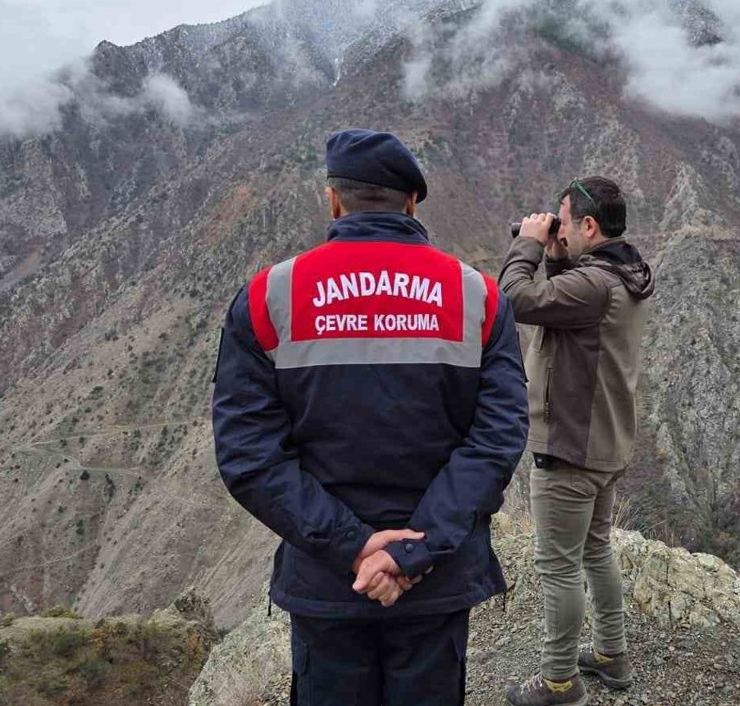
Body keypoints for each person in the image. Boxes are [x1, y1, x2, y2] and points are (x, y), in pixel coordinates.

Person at [212, 128, 528, 706]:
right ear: (411, 203)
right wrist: (410, 552)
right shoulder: (479, 298)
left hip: (329, 580)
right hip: (437, 577)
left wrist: (355, 547)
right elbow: (497, 440)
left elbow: (248, 454)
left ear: (333, 200)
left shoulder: (267, 297)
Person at [498, 176, 655, 706]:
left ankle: (559, 682)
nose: (555, 226)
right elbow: (569, 305)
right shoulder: (617, 275)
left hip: (571, 446)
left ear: (589, 225)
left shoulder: (594, 286)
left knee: (559, 567)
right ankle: (612, 654)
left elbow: (514, 299)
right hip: (605, 442)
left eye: (563, 220)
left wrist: (528, 245)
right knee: (594, 550)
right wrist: (558, 252)